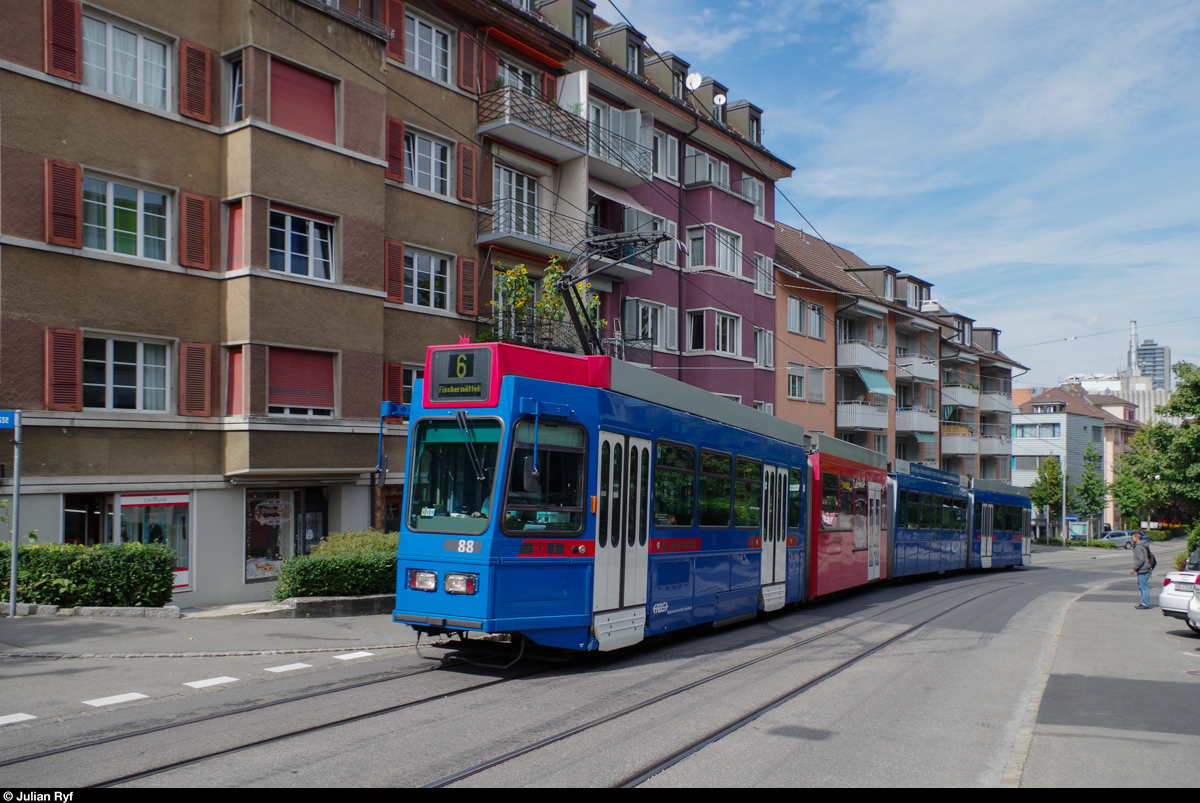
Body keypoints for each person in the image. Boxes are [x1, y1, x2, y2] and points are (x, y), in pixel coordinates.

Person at [1129, 531, 1154, 609]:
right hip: (1146, 568)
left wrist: (1134, 569)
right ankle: (1144, 602)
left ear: (1136, 538)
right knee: (1143, 586)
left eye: (1133, 537)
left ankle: (1145, 603)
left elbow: (1141, 559)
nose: (1132, 538)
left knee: (1144, 587)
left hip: (1143, 569)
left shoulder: (1138, 547)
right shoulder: (1144, 544)